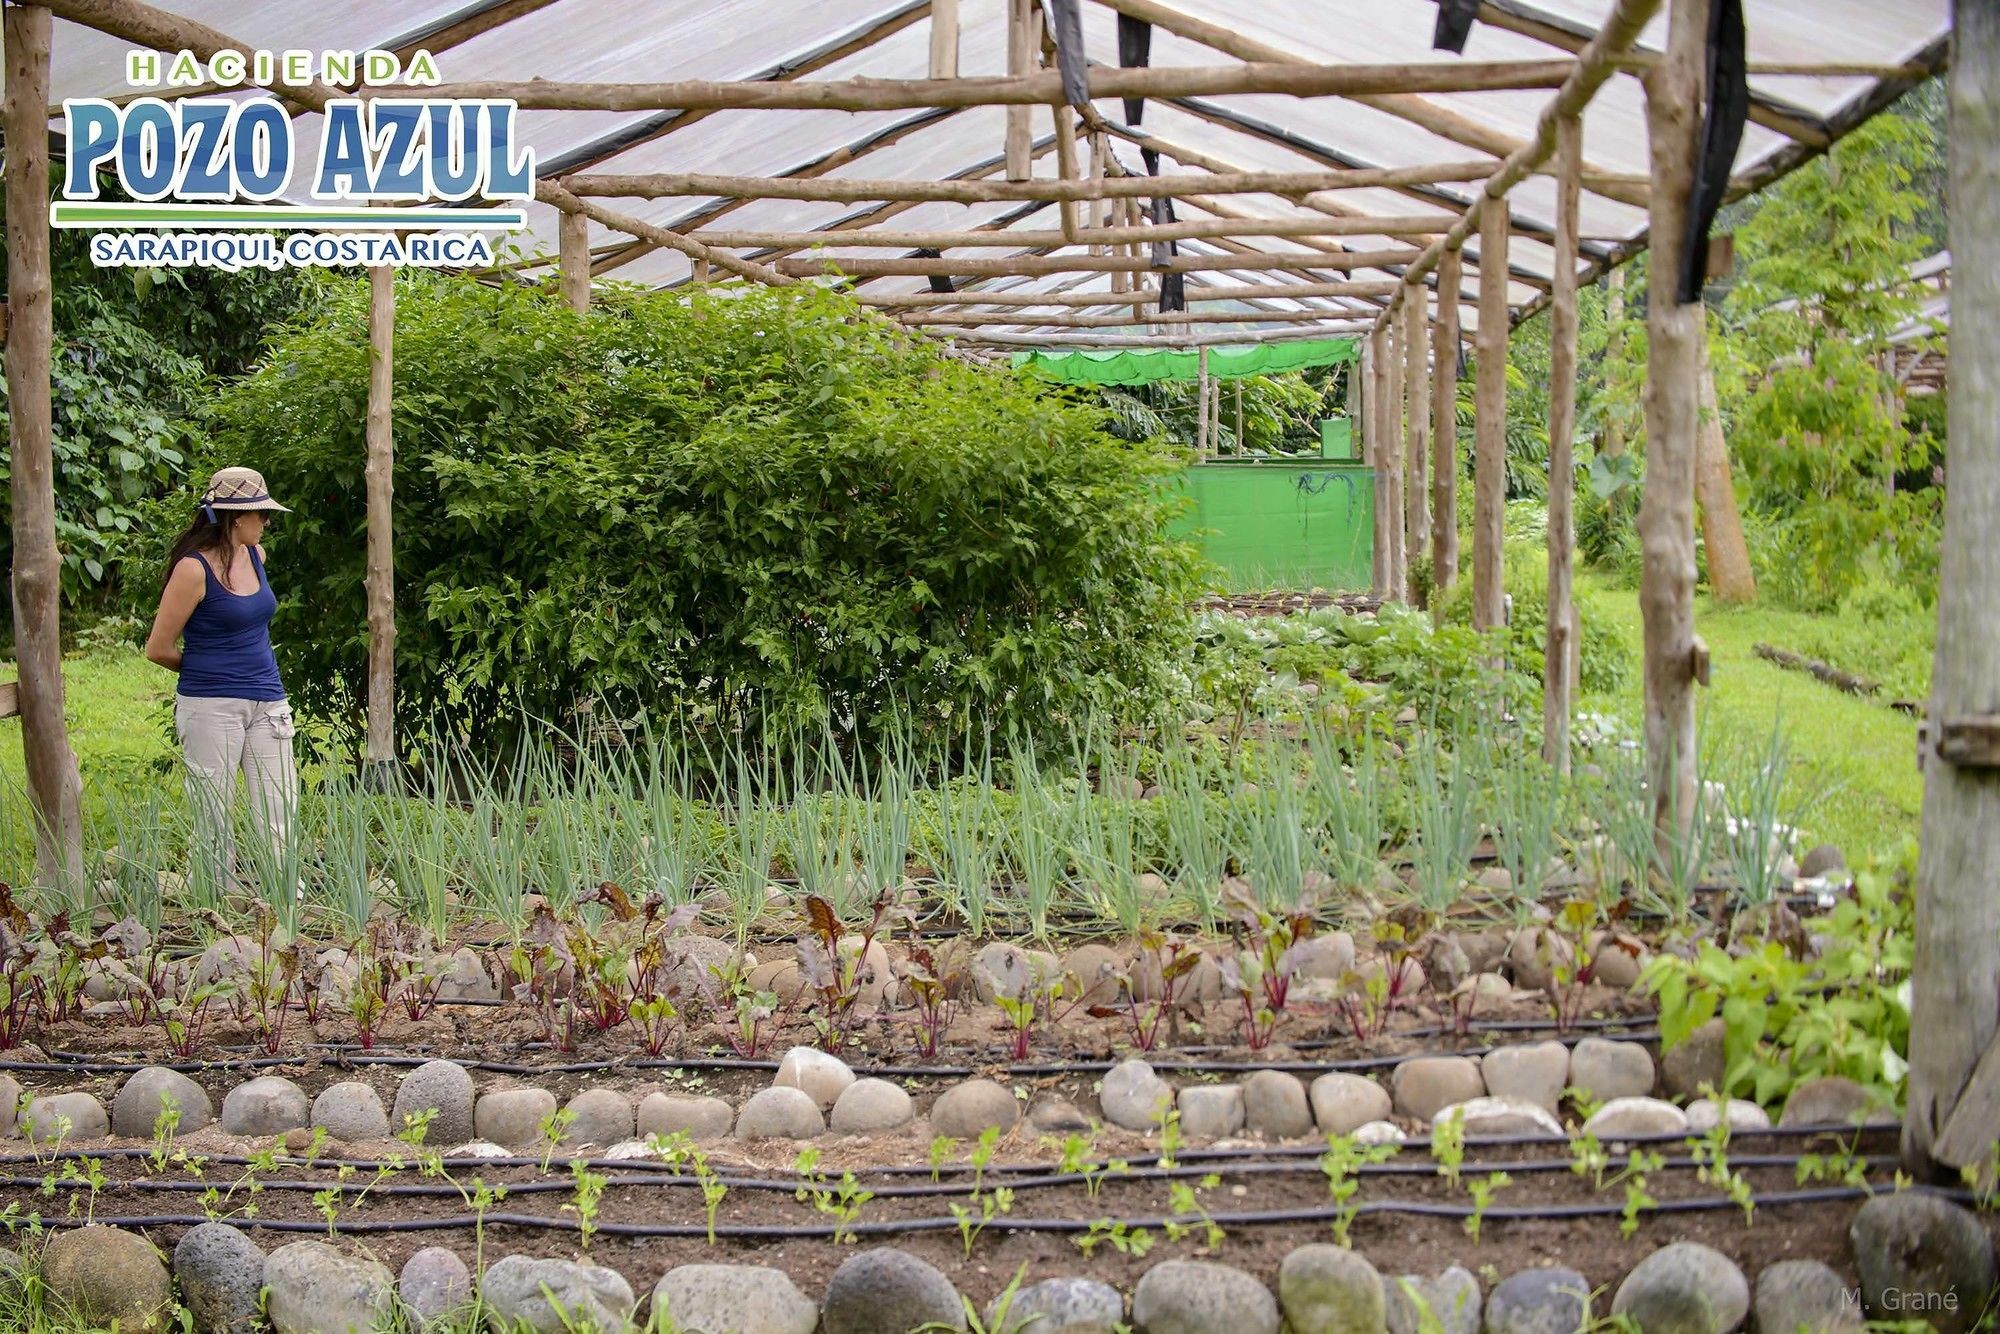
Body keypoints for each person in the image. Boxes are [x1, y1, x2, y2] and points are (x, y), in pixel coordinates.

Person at [143, 466, 297, 895]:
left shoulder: (256, 558)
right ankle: (214, 902)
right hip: (211, 706)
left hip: (268, 700)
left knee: (278, 804)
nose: (266, 522)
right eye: (260, 514)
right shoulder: (193, 570)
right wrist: (210, 669)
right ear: (235, 517)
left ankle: (283, 896)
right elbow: (158, 647)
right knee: (214, 811)